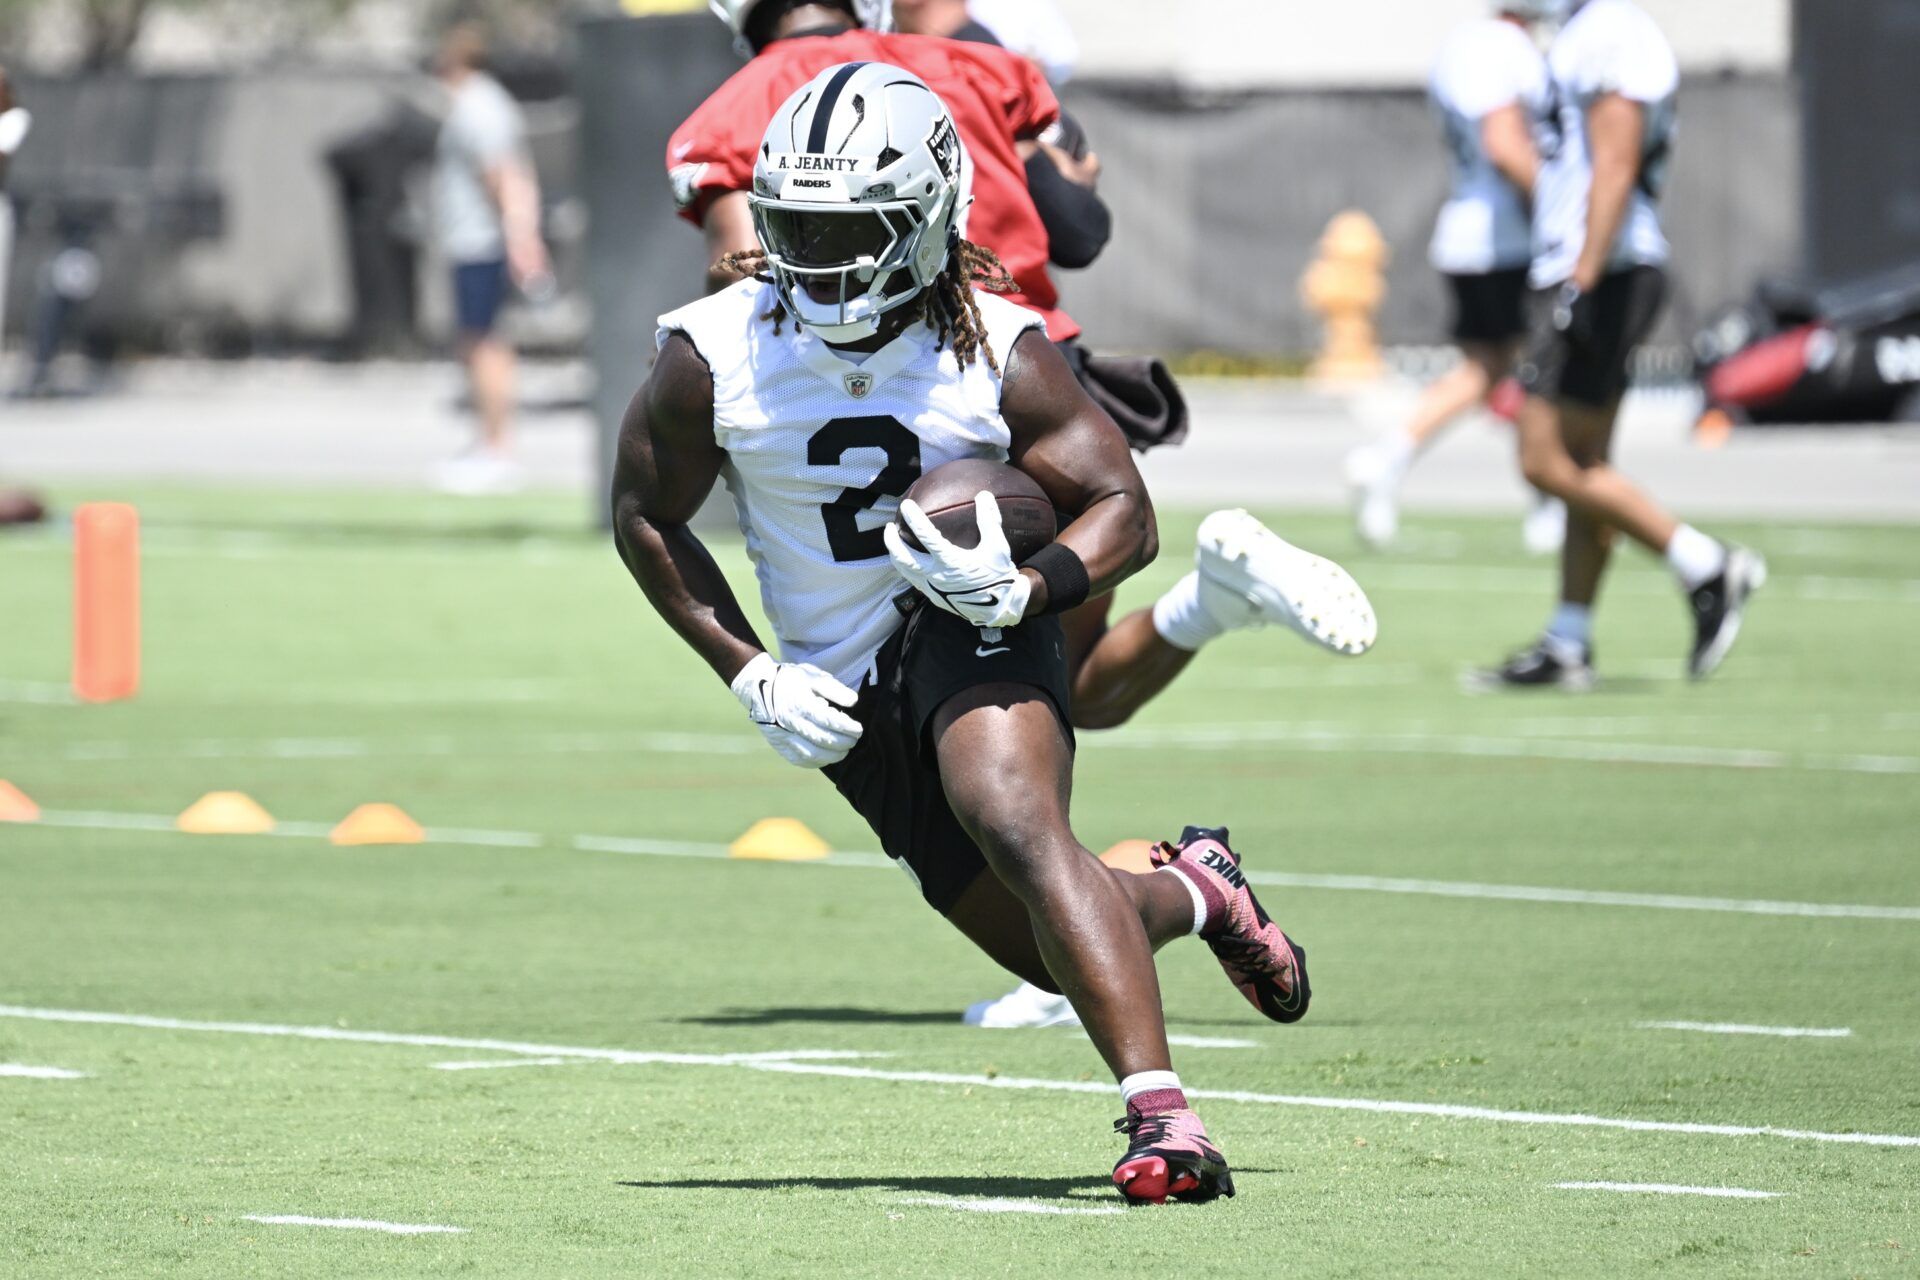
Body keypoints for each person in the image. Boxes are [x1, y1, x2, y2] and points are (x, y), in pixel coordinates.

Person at [615, 66, 1346, 1202]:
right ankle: (1198, 887)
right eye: (797, 225)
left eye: (851, 228)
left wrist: (1030, 590)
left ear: (925, 220)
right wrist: (749, 668)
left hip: (971, 615)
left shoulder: (998, 344)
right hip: (839, 681)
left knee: (1011, 812)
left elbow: (1125, 509)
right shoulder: (710, 349)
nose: (819, 255)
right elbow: (645, 517)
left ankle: (1168, 1118)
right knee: (1039, 932)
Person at [677, 0, 1376, 743]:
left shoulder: (743, 103)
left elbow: (743, 282)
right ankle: (1212, 599)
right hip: (1040, 367)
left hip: (912, 389)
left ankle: (1206, 621)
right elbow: (1079, 230)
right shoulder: (977, 65)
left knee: (1014, 692)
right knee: (1065, 681)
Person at [1474, 0, 1764, 689]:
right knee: (1585, 463)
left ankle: (1704, 564)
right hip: (1596, 267)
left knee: (1543, 460)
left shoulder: (1610, 34)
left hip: (1600, 270)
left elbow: (1617, 158)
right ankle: (1569, 640)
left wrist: (1583, 275)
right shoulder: (1585, 32)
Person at [1347, 6, 1564, 554]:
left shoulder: (1463, 43)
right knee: (1528, 371)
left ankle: (1391, 460)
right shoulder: (1504, 48)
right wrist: (1560, 211)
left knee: (1493, 371)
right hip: (1505, 237)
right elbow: (1505, 142)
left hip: (1474, 228)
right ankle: (1548, 495)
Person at [429, 24, 550, 495]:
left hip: (481, 243)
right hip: (473, 242)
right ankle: (488, 443)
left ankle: (496, 449)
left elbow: (504, 177)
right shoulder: (479, 102)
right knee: (476, 340)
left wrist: (522, 242)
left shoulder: (479, 105)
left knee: (484, 343)